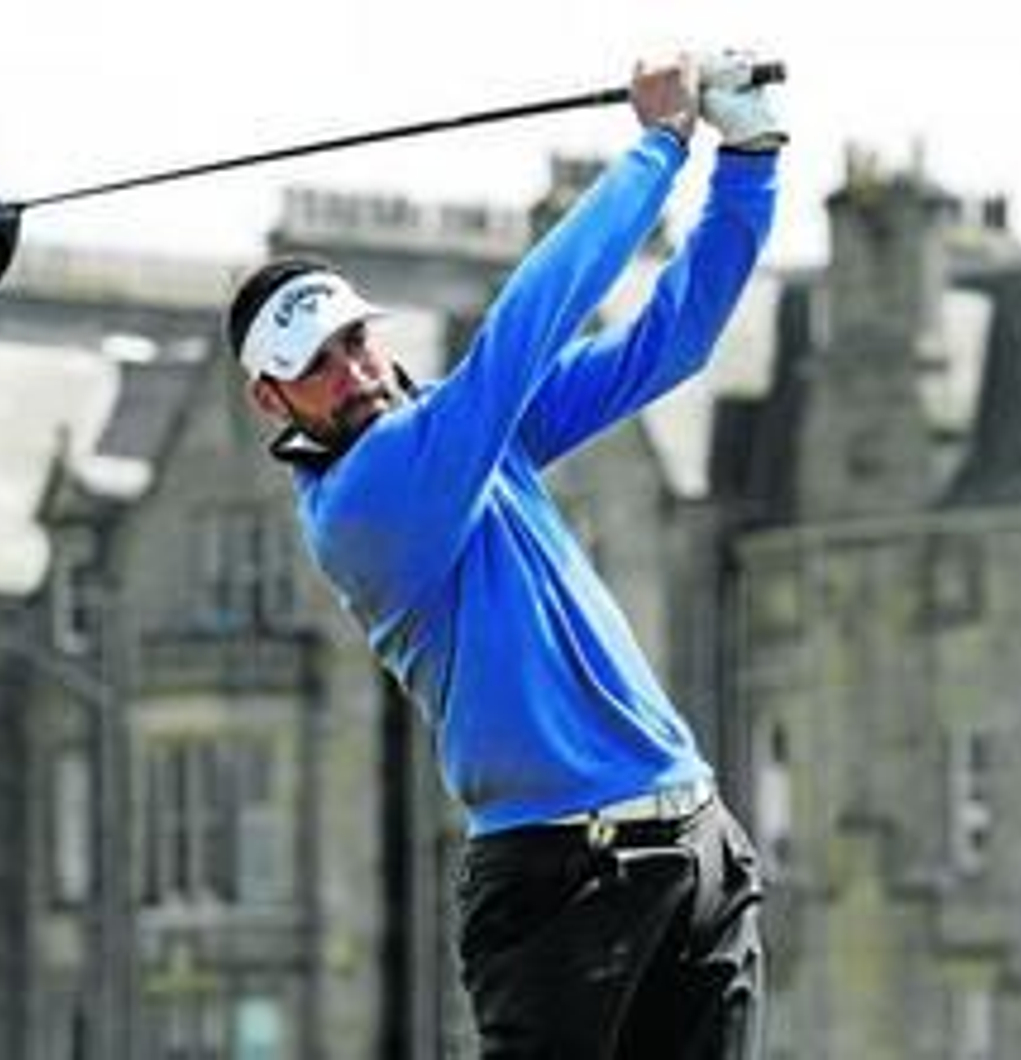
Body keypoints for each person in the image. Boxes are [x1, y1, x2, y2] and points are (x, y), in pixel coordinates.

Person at [224, 51, 784, 1059]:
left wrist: (746, 163)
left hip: (693, 851)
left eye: (356, 341)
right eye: (319, 366)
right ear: (273, 399)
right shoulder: (367, 497)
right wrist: (659, 148)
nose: (356, 373)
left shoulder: (472, 432)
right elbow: (522, 331)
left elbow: (674, 341)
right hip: (561, 885)